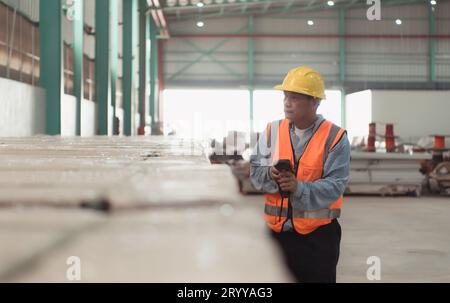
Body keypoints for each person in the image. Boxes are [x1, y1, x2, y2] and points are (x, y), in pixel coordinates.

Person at [250, 66, 351, 283]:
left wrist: (299, 188)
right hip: (276, 235)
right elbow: (255, 172)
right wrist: (271, 174)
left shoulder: (335, 137)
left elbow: (335, 186)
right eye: (285, 97)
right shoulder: (272, 131)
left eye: (294, 98)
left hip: (318, 240)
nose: (287, 103)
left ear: (315, 102)